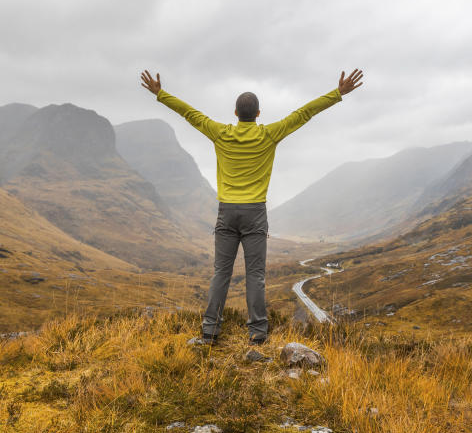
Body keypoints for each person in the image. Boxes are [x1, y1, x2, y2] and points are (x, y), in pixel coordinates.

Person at [140, 69, 364, 345]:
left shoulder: (220, 133)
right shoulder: (269, 134)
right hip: (255, 213)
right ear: (259, 114)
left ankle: (210, 331)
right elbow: (303, 114)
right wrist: (337, 93)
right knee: (255, 276)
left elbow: (190, 114)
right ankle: (257, 333)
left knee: (221, 272)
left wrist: (160, 94)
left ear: (235, 113)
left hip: (227, 211)